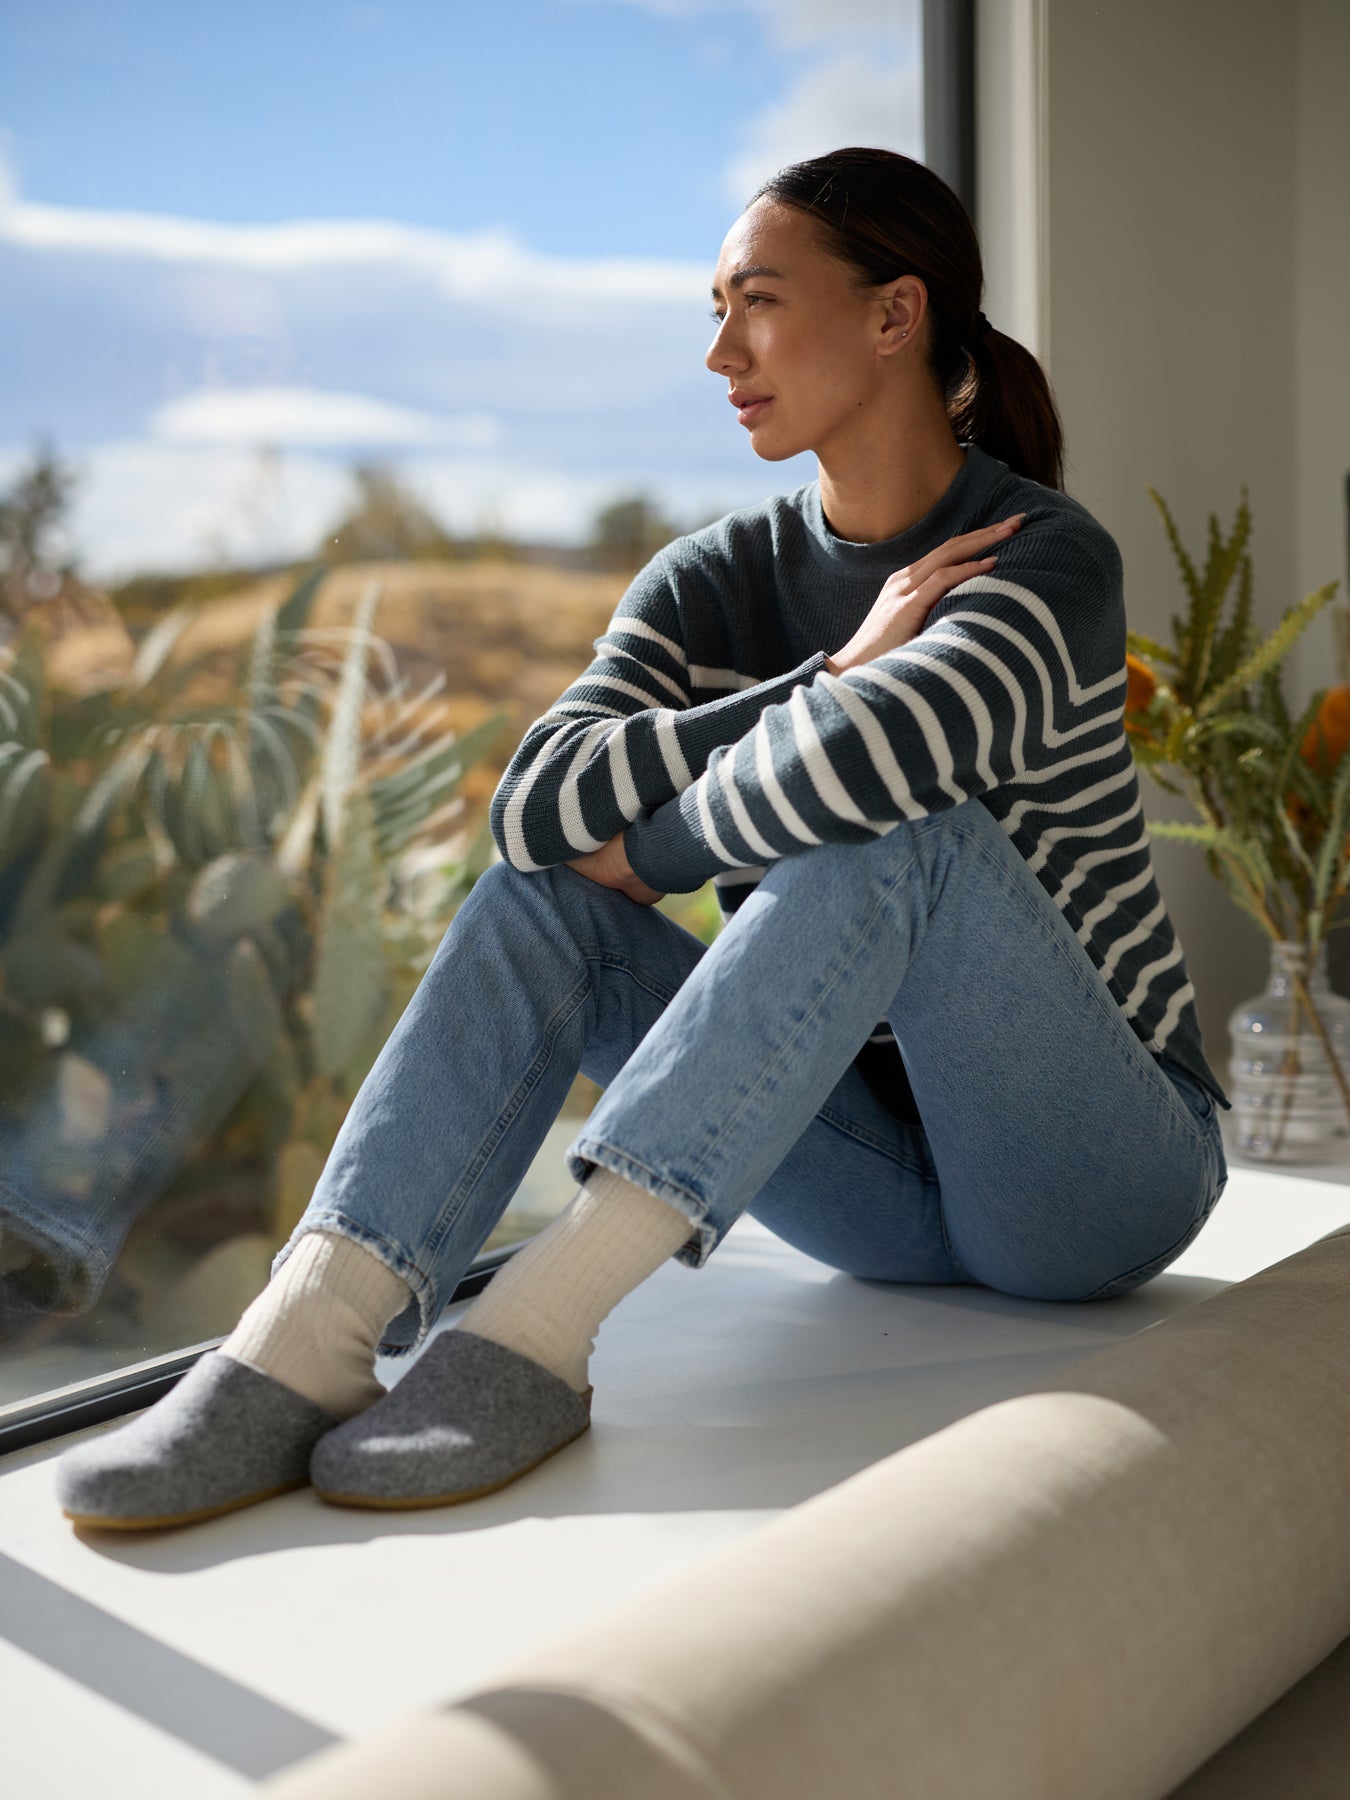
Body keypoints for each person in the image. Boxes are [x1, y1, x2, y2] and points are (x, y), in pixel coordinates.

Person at [56, 146, 1229, 1532]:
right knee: (534, 901)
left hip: (1096, 1177)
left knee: (893, 840)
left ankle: (536, 1334)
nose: (722, 350)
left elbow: (872, 771)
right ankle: (306, 1338)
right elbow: (538, 807)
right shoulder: (713, 578)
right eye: (712, 309)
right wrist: (824, 674)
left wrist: (655, 841)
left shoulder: (1036, 557)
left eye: (758, 302)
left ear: (894, 315)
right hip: (870, 1193)